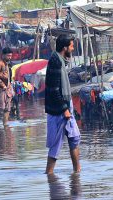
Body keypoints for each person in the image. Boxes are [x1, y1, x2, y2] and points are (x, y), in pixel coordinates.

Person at [45, 35, 81, 174]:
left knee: (74, 138)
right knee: (55, 145)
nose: (73, 48)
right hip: (59, 110)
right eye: (71, 46)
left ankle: (77, 173)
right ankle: (49, 174)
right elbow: (53, 89)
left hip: (66, 107)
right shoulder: (55, 61)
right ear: (65, 47)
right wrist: (65, 109)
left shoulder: (60, 60)